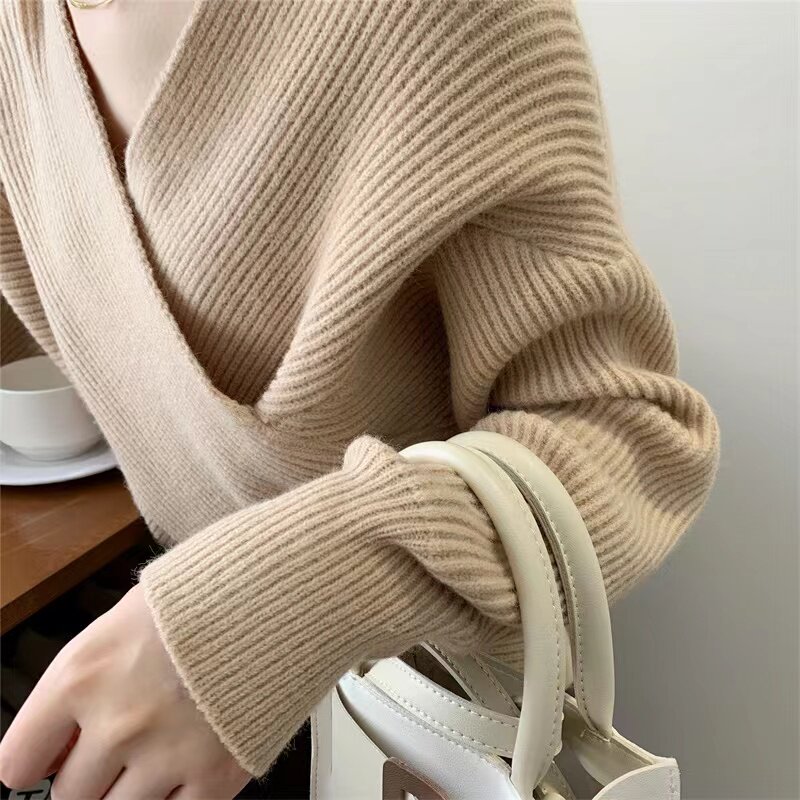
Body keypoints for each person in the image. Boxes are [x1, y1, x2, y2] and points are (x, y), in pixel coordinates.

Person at [0, 0, 721, 797]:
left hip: (429, 727)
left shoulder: (433, 17)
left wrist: (283, 600)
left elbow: (632, 436)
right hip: (176, 698)